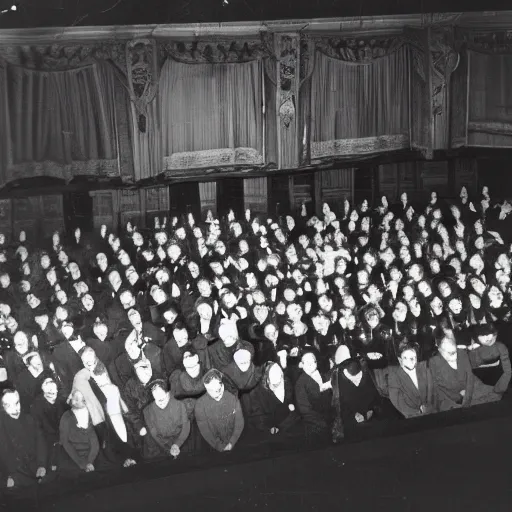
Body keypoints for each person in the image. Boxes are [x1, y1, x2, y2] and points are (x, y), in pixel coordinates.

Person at [429, 333, 502, 411]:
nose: (455, 355)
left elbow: (470, 376)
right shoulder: (434, 362)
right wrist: (459, 397)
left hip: (472, 387)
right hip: (452, 397)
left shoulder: (461, 353)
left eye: (455, 351)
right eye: (450, 353)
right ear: (440, 350)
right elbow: (439, 388)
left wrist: (467, 395)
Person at [0, 389, 48, 488]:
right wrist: (6, 479)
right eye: (8, 405)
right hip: (11, 477)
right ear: (2, 407)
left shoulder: (30, 420)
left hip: (34, 470)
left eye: (17, 403)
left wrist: (41, 465)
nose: (15, 409)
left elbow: (41, 443)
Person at [194, 369, 245, 453]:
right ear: (206, 388)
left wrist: (232, 442)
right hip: (213, 449)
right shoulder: (200, 405)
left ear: (223, 385)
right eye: (211, 390)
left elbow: (239, 422)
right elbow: (205, 430)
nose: (216, 394)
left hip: (236, 443)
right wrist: (219, 446)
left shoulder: (232, 398)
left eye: (218, 389)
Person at [386, 341, 438, 418]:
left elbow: (433, 390)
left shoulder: (425, 369)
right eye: (406, 358)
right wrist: (418, 413)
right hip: (412, 417)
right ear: (400, 360)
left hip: (432, 413)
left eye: (413, 357)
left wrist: (429, 407)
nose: (411, 360)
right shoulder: (394, 377)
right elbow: (398, 403)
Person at [142, 379, 191, 460]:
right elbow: (155, 434)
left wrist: (177, 444)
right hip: (161, 445)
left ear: (168, 394)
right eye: (157, 400)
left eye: (163, 398)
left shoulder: (180, 405)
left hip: (182, 440)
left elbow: (186, 427)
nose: (161, 402)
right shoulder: (147, 411)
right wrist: (168, 449)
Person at [59, 389, 101, 474]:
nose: (78, 401)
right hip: (72, 456)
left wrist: (90, 461)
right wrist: (81, 463)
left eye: (81, 399)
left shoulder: (90, 414)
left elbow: (94, 442)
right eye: (76, 398)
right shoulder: (66, 416)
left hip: (92, 456)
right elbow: (65, 442)